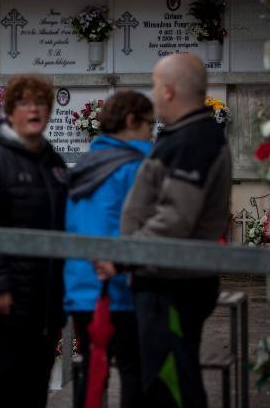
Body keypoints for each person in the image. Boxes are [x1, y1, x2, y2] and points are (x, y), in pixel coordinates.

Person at [96, 54, 231, 407]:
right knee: (162, 381)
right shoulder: (184, 135)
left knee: (171, 388)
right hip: (163, 282)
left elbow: (175, 219)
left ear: (169, 91)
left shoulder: (194, 140)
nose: (153, 96)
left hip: (173, 284)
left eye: (156, 87)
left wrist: (122, 256)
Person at [0, 74, 67, 408]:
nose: (34, 110)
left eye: (40, 103)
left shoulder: (52, 162)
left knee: (36, 386)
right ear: (10, 111)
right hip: (4, 301)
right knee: (5, 386)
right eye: (24, 103)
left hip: (44, 299)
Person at [63, 91, 154, 408]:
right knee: (135, 373)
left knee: (91, 371)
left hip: (81, 287)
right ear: (132, 121)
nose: (152, 134)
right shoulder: (139, 166)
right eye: (150, 126)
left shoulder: (86, 163)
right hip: (121, 286)